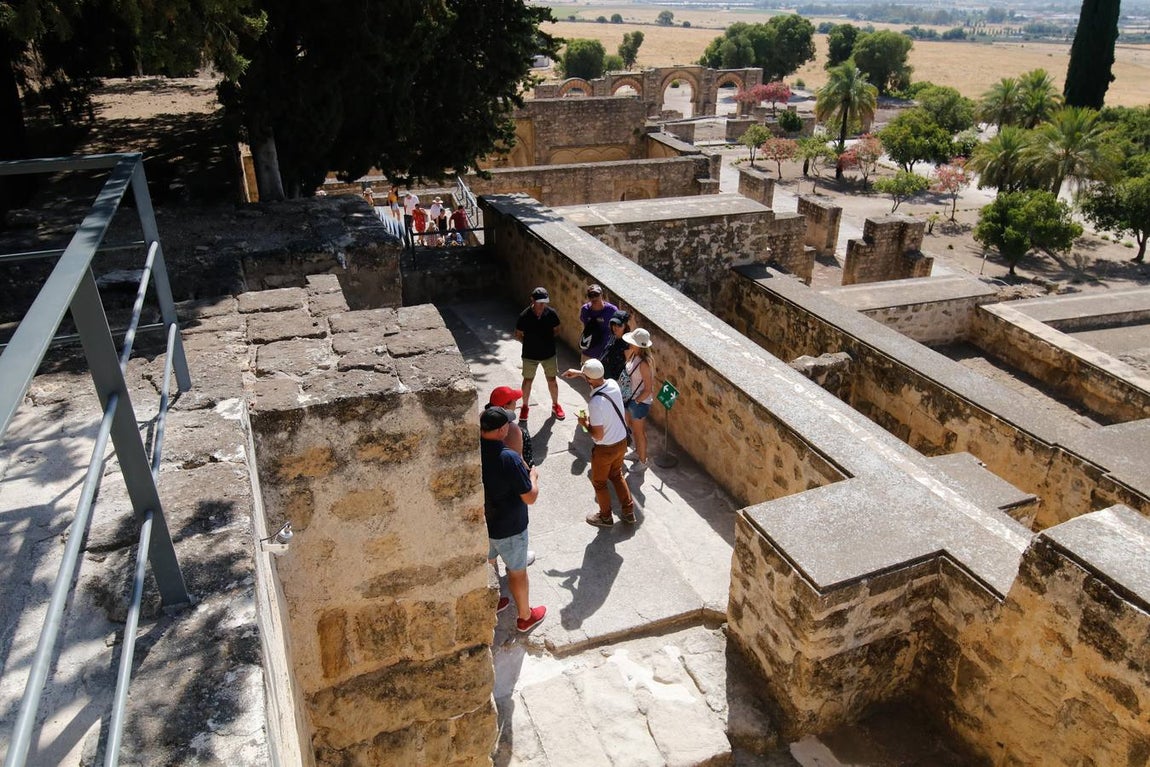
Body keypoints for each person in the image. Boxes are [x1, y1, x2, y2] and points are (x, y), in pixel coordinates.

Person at [480, 407, 546, 633]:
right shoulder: (508, 458)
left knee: (488, 565)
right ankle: (525, 617)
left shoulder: (473, 449)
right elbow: (530, 497)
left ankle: (493, 601)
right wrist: (533, 477)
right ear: (502, 430)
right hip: (510, 527)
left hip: (483, 525)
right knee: (517, 573)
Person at [566, 358, 635, 527]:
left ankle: (605, 517)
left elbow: (598, 435)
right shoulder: (612, 384)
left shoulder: (595, 403)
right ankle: (628, 512)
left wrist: (585, 423)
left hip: (605, 449)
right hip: (621, 442)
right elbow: (594, 378)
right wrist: (580, 373)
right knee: (617, 475)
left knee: (599, 483)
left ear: (589, 380)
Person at [515, 287, 565, 423]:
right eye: (540, 302)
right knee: (527, 381)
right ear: (532, 300)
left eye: (545, 302)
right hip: (529, 355)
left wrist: (546, 342)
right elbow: (518, 334)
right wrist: (530, 343)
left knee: (552, 380)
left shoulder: (551, 314)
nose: (543, 305)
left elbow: (557, 330)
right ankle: (525, 407)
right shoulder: (524, 316)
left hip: (549, 354)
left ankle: (555, 405)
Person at [620, 328, 656, 470]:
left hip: (638, 403)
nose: (630, 344)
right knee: (634, 430)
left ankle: (642, 461)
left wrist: (636, 402)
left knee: (639, 433)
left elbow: (648, 389)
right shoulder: (633, 356)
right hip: (632, 399)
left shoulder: (644, 364)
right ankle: (637, 453)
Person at [487, 385, 533, 466]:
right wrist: (532, 470)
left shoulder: (482, 418)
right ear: (506, 407)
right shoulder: (513, 429)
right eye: (514, 400)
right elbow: (519, 461)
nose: (516, 404)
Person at [578, 285, 619, 362]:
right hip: (588, 352)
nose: (594, 298)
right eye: (591, 295)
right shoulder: (585, 309)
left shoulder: (612, 310)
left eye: (596, 294)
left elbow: (618, 329)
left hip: (605, 354)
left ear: (601, 295)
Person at [600, 310, 631, 382]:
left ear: (625, 326)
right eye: (613, 324)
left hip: (614, 380)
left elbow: (628, 364)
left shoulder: (627, 343)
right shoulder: (613, 336)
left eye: (619, 325)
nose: (615, 328)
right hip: (603, 375)